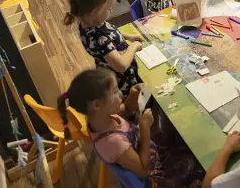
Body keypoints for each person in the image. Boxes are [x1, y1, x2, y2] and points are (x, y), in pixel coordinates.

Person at [57, 68, 204, 187]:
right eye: (115, 91)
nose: (120, 93)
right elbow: (142, 171)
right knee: (195, 160)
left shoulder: (99, 119)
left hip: (145, 149)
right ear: (97, 105)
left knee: (179, 136)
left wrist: (133, 96)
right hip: (153, 174)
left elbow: (125, 109)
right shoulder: (113, 142)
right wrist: (144, 129)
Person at [63, 0, 143, 97]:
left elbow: (110, 33)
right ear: (95, 11)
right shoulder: (98, 37)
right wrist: (134, 46)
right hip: (122, 82)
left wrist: (127, 36)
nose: (111, 11)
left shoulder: (90, 22)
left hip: (116, 71)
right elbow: (121, 66)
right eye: (109, 8)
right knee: (133, 100)